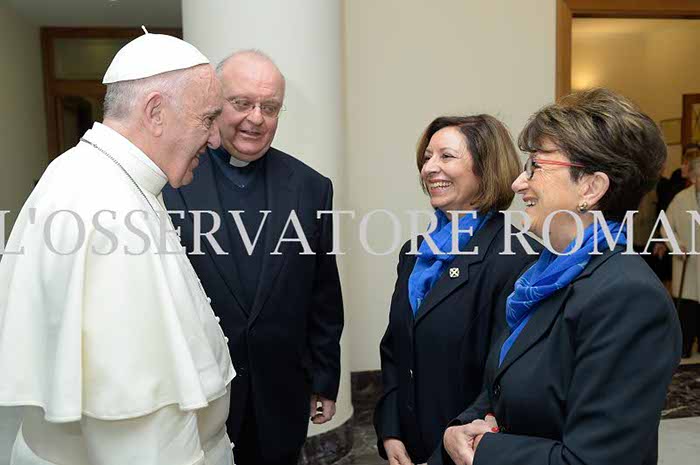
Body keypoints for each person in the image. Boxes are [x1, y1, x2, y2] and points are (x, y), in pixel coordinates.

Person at [0, 33, 235, 465]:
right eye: (207, 119)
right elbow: (141, 431)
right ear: (155, 112)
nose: (216, 140)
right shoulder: (105, 208)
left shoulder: (97, 175)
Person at [433, 89, 681, 465]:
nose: (518, 182)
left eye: (535, 165)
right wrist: (461, 428)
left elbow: (594, 459)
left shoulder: (627, 296)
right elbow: (500, 387)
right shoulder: (543, 275)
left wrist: (482, 448)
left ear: (591, 187)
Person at [162, 50, 344, 465]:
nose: (256, 118)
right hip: (196, 398)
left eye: (270, 107)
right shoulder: (169, 181)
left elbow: (323, 293)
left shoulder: (311, 187)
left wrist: (324, 378)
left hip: (280, 396)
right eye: (242, 103)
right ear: (215, 104)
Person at [374, 115, 540, 465]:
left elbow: (504, 379)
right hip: (409, 444)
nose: (429, 168)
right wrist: (390, 430)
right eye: (427, 157)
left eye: (446, 156)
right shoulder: (413, 253)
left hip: (469, 451)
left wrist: (443, 455)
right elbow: (395, 350)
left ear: (485, 168)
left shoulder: (517, 257)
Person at [663, 156, 700, 358]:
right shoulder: (681, 199)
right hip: (688, 264)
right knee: (687, 312)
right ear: (694, 178)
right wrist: (677, 246)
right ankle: (683, 350)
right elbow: (666, 227)